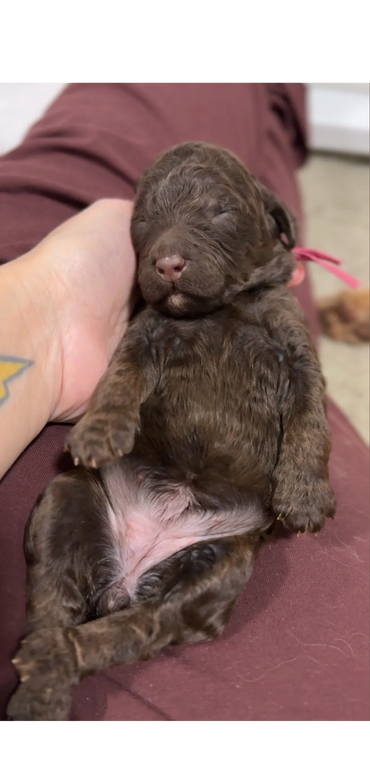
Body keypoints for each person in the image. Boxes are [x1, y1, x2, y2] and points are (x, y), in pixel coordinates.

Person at [0, 81, 368, 724]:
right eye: (148, 223)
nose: (169, 252)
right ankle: (50, 644)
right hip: (124, 492)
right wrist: (108, 410)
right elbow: (134, 358)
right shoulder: (156, 317)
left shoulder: (270, 302)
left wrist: (304, 468)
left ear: (274, 227)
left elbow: (304, 383)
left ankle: (75, 651)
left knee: (212, 590)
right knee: (67, 498)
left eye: (218, 214)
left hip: (223, 522)